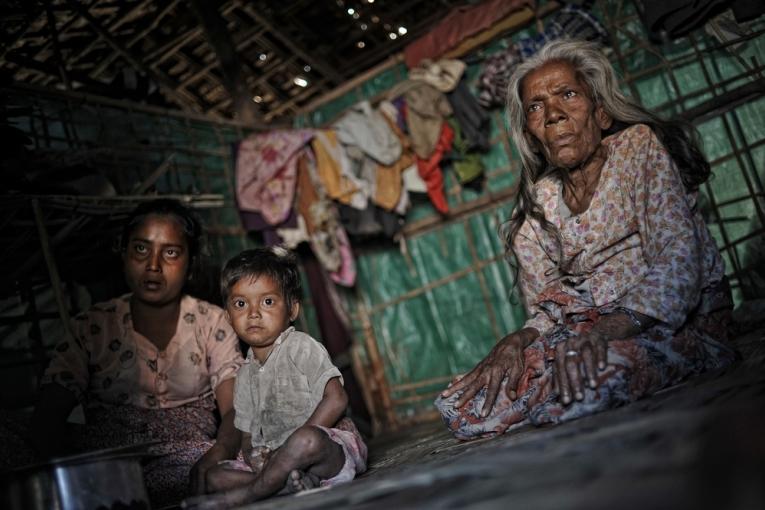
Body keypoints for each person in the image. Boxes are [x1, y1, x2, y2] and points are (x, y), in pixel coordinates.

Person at [436, 39, 736, 439]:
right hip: (584, 334)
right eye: (536, 108)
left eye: (568, 95)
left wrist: (602, 333)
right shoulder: (536, 203)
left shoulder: (636, 148)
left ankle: (558, 395)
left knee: (590, 380)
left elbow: (678, 263)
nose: (554, 115)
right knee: (460, 406)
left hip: (673, 322)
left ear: (601, 113)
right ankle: (554, 394)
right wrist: (517, 341)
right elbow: (546, 309)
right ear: (530, 130)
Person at [29, 199, 244, 506]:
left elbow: (235, 410)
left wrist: (218, 453)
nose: (153, 265)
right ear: (124, 253)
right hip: (111, 460)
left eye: (171, 252)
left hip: (189, 454)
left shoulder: (213, 323)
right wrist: (77, 477)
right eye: (141, 249)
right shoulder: (93, 326)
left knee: (214, 473)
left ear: (191, 261)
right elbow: (47, 417)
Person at [189, 247, 367, 508]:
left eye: (268, 302)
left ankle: (253, 493)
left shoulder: (301, 347)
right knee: (215, 476)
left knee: (306, 441)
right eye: (240, 304)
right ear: (228, 316)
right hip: (275, 461)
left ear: (292, 309)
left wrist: (288, 448)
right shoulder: (245, 373)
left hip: (325, 450)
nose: (253, 313)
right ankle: (285, 485)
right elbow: (247, 432)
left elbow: (336, 399)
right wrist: (254, 457)